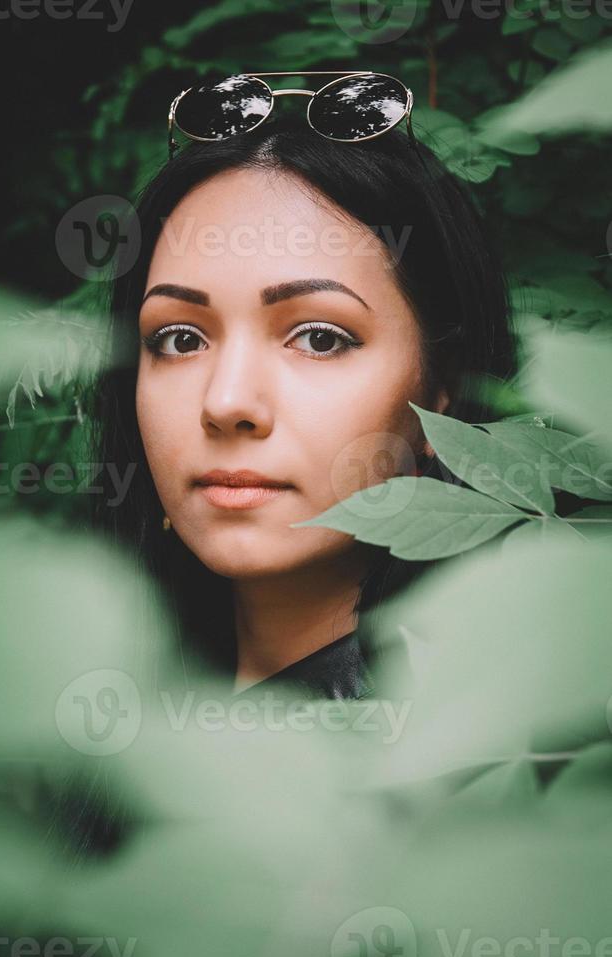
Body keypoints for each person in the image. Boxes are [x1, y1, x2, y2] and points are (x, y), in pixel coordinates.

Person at [89, 103, 516, 704]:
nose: (227, 400)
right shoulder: (107, 712)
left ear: (442, 387)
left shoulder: (482, 752)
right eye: (181, 339)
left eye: (319, 338)